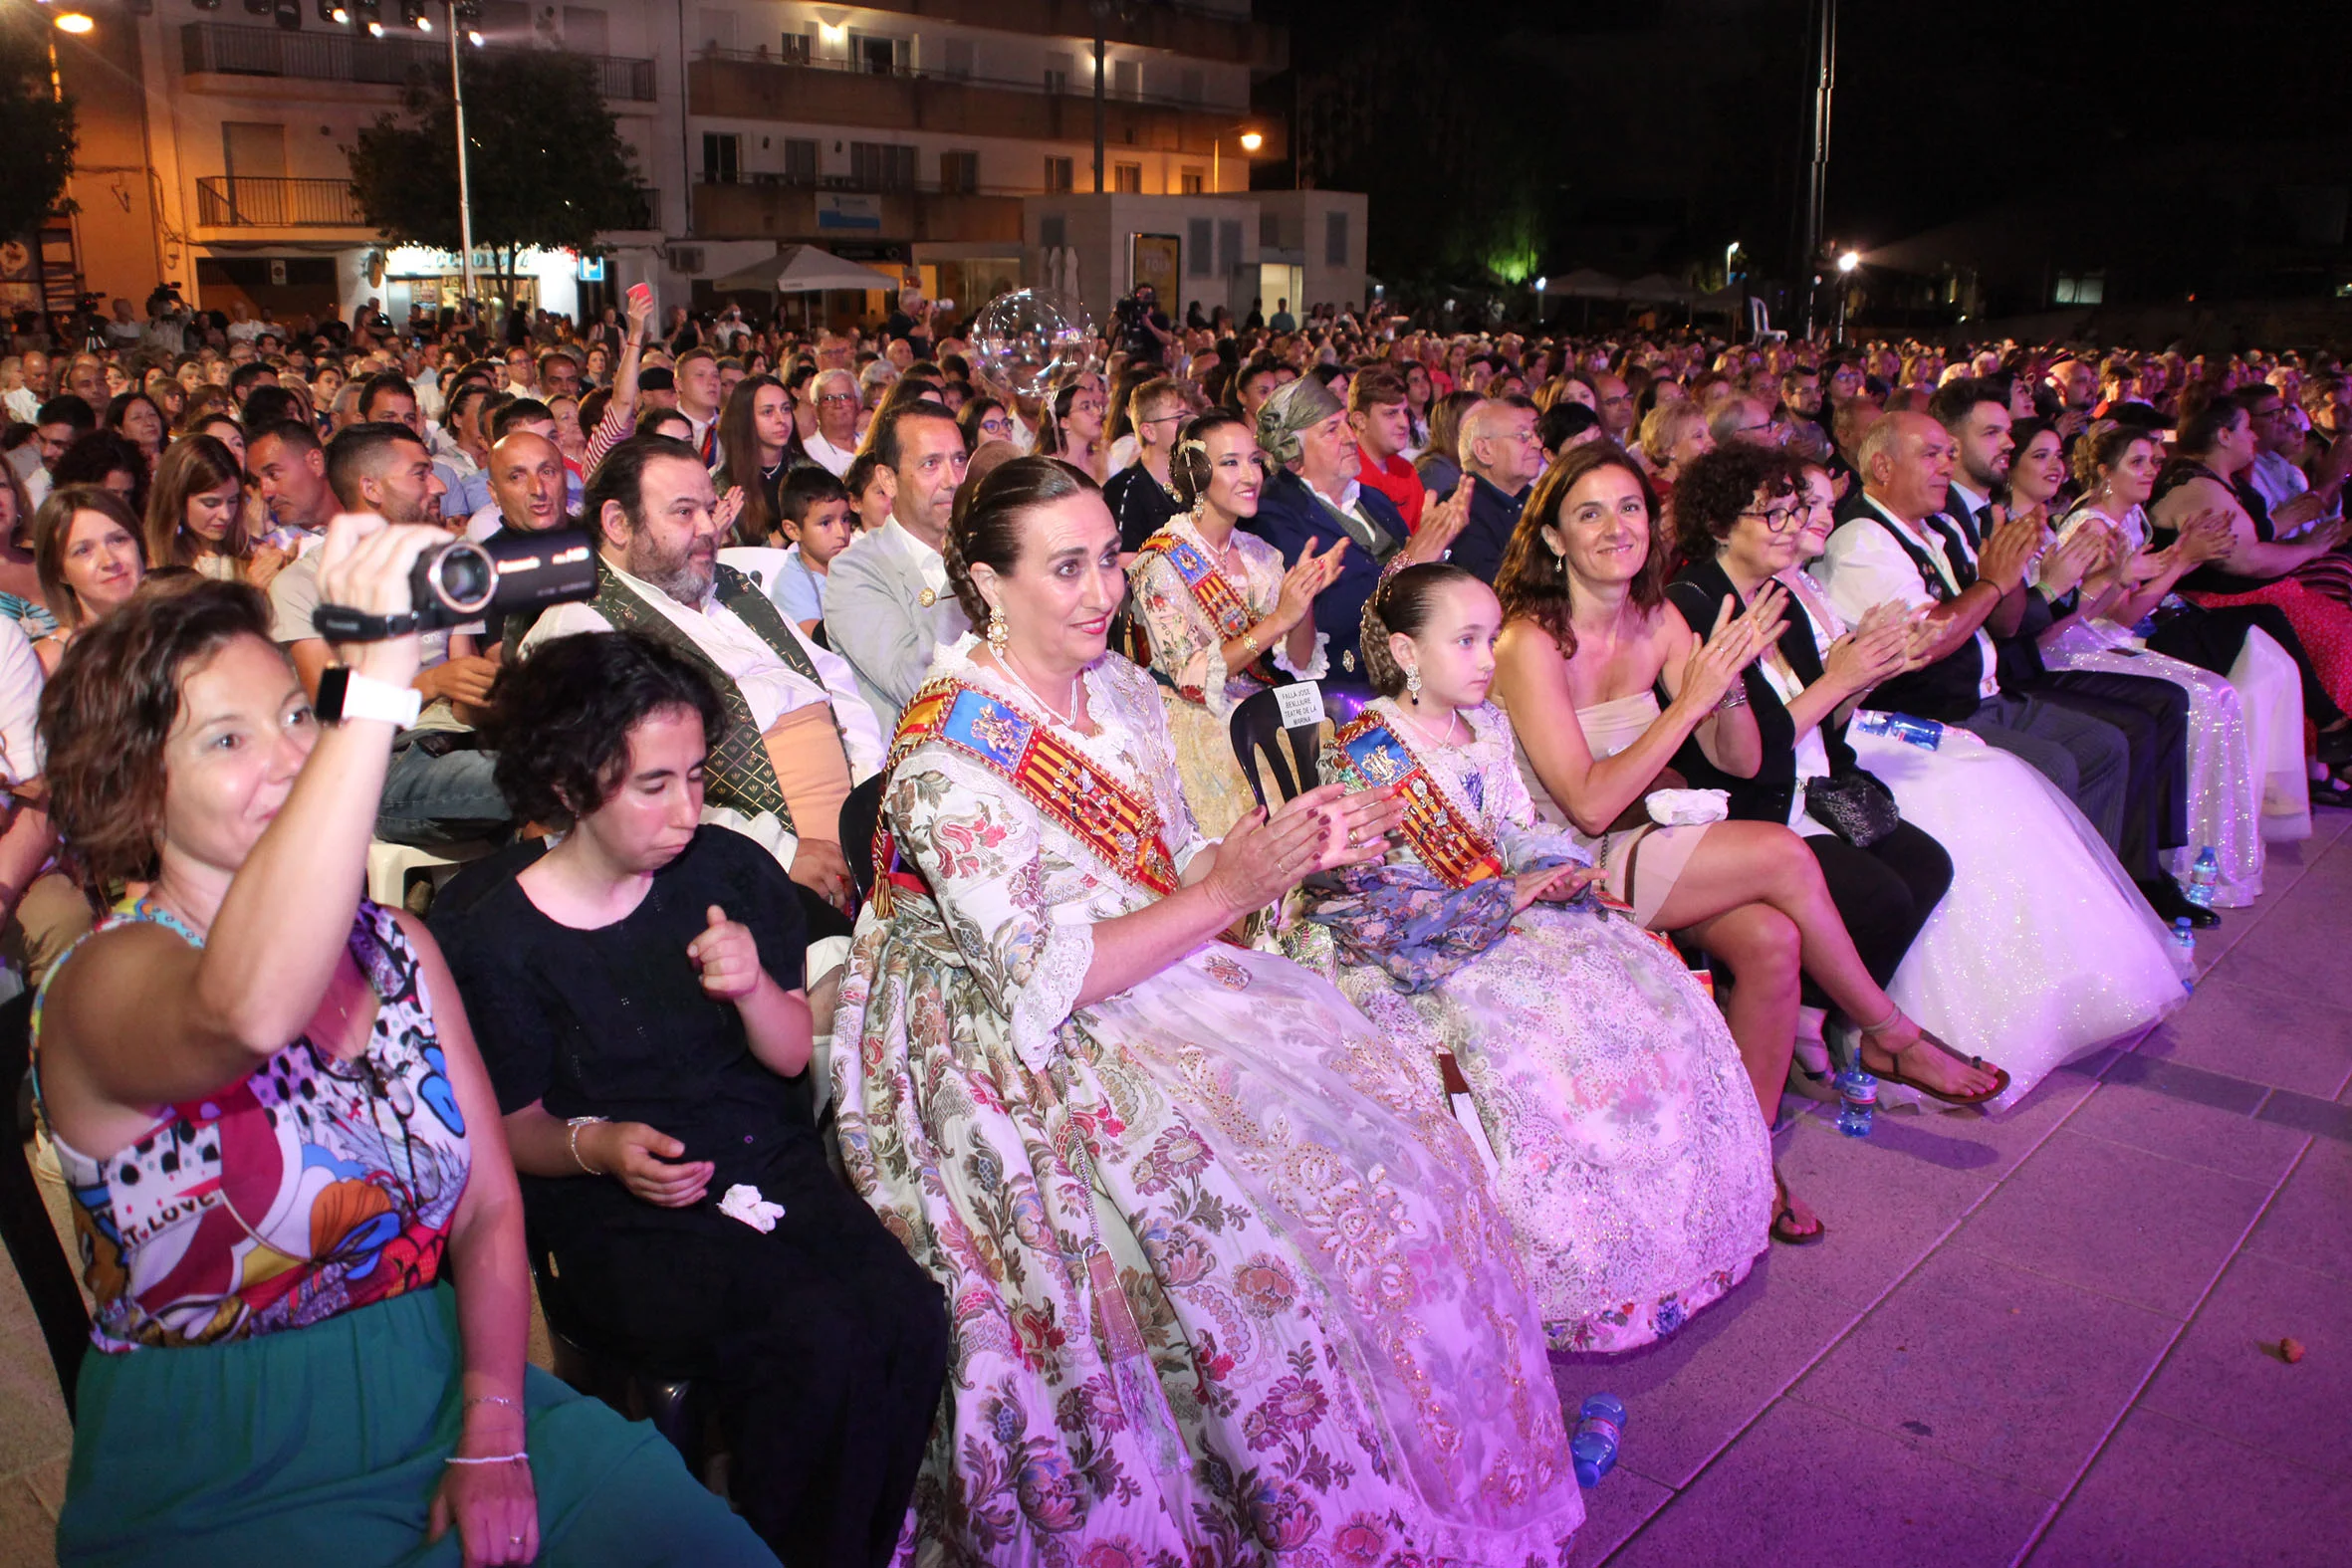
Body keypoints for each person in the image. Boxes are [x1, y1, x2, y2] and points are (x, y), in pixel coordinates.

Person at [830, 456, 1582, 1561]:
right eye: (1066, 568)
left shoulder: (1123, 691)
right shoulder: (946, 754)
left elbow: (1174, 853)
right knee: (1241, 1229)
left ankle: (1439, 1448)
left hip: (1155, 961)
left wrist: (1282, 851)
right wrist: (1232, 889)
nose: (1101, 593)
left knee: (1398, 1133)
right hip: (1009, 1026)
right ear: (988, 584)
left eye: (1107, 563)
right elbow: (1049, 975)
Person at [30, 562, 772, 1566]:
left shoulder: (398, 949)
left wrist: (496, 1422)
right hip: (228, 1444)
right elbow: (248, 1008)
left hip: (440, 1370)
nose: (294, 760)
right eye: (227, 739)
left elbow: (488, 1204)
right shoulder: (103, 979)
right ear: (135, 782)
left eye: (299, 716)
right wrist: (379, 677)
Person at [433, 632, 947, 1565]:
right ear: (568, 785)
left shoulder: (729, 871)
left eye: (698, 776)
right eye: (653, 784)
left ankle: (841, 1542)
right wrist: (602, 1144)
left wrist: (753, 985)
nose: (687, 809)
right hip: (622, 1210)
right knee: (818, 1342)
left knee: (909, 1314)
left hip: (763, 1156)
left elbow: (792, 1055)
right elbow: (511, 1131)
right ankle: (778, 1545)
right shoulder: (495, 934)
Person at [1491, 444, 2007, 1241]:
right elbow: (1588, 805)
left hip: (1654, 837)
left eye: (1629, 507)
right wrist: (1685, 702)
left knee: (1773, 939)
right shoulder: (1531, 640)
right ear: (1555, 538)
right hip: (1564, 857)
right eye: (1588, 513)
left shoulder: (1657, 618)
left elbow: (1739, 757)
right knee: (1783, 852)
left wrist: (1728, 680)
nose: (1616, 528)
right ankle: (1887, 1033)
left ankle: (1745, 1162)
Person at [1300, 562, 1772, 1351]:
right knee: (1531, 1046)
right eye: (1466, 641)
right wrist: (1505, 895)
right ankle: (1568, 1258)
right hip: (1421, 938)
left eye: (1492, 638)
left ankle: (1671, 1230)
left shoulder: (1484, 726)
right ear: (1409, 654)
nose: (1488, 659)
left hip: (1505, 907)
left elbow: (1513, 824)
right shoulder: (1369, 748)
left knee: (1646, 1001)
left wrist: (1555, 863)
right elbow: (1374, 886)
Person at [1774, 460, 2186, 1108]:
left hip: (1844, 739)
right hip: (1814, 760)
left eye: (1826, 502)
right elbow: (1792, 717)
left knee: (1990, 786)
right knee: (1977, 789)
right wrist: (1874, 667)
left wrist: (1877, 664)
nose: (1824, 515)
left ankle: (2056, 977)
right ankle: (1852, 1020)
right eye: (1805, 505)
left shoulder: (1813, 587)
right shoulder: (1840, 555)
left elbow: (1984, 629)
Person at [1667, 442, 1958, 1067]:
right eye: (1772, 514)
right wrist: (1836, 679)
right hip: (1750, 806)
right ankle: (1824, 1024)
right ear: (1719, 523)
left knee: (1929, 866)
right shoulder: (1692, 604)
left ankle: (1818, 1015)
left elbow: (1825, 725)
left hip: (1812, 787)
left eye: (1792, 513)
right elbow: (1743, 760)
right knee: (1882, 896)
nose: (1791, 527)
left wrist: (1871, 669)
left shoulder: (1779, 596)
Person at [521, 436, 882, 917]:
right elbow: (618, 798)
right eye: (684, 513)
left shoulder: (729, 586)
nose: (711, 528)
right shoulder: (581, 626)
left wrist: (868, 806)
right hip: (729, 880)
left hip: (856, 842)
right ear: (617, 523)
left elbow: (836, 688)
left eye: (710, 509)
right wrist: (777, 851)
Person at [2022, 420, 2303, 898]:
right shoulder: (2093, 526)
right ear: (2106, 472)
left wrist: (2182, 557)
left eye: (2155, 461)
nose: (2151, 470)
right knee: (2202, 696)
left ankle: (2201, 857)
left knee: (2223, 689)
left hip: (2111, 636)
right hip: (2076, 648)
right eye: (2138, 462)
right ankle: (2171, 862)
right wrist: (2176, 561)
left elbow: (2128, 606)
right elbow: (2108, 615)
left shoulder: (2132, 519)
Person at [273, 422, 512, 849]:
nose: (438, 485)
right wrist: (434, 683)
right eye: (420, 473)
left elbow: (463, 681)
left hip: (462, 736)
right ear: (372, 488)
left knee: (583, 753)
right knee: (552, 776)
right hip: (381, 763)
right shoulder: (302, 584)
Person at [1128, 411, 1344, 834]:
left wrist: (1302, 603)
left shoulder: (1260, 554)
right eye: (1230, 463)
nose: (1250, 475)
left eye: (1255, 461)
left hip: (1263, 702)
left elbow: (1298, 661)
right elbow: (1191, 678)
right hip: (1200, 717)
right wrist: (1278, 619)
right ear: (1198, 473)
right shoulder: (1160, 562)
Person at [1243, 375, 1464, 699]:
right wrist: (1410, 561)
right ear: (1293, 455)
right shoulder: (1274, 516)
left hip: (1404, 672)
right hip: (1341, 695)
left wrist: (1436, 548)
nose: (1350, 437)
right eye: (1332, 430)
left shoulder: (1371, 499)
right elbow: (1331, 614)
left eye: (1346, 423)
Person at [822, 402, 972, 728]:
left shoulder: (988, 547)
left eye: (959, 460)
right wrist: (963, 564)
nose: (953, 480)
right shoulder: (855, 571)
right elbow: (920, 685)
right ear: (888, 480)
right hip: (920, 758)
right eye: (931, 464)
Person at [142, 432, 285, 590]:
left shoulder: (253, 554)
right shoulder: (149, 565)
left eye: (233, 500)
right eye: (210, 503)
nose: (225, 515)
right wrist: (249, 593)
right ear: (177, 499)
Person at [29, 485, 146, 673]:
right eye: (83, 550)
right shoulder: (47, 665)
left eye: (118, 540)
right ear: (59, 572)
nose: (109, 561)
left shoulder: (179, 630)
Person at [1449, 397, 1544, 583]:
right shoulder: (1462, 510)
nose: (1538, 444)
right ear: (1484, 451)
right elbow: (1497, 588)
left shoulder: (1534, 498)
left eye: (1535, 435)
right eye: (1523, 436)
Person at [1100, 375, 1187, 552]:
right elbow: (1125, 564)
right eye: (1179, 418)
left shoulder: (1194, 480)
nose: (1188, 424)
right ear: (1149, 431)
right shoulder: (1123, 490)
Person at [713, 372, 799, 547]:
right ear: (745, 419)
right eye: (768, 412)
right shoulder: (724, 485)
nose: (781, 420)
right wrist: (782, 535)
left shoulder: (807, 472)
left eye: (785, 409)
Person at [800, 368, 860, 477]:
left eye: (844, 397)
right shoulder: (806, 452)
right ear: (815, 410)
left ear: (858, 405)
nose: (837, 404)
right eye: (828, 398)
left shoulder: (872, 443)